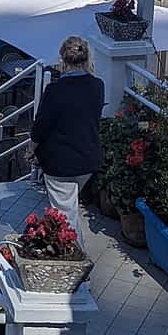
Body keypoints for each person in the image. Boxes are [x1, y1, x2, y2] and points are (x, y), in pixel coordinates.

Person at [29, 36, 104, 248]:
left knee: (66, 216)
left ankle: (77, 268)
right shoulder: (97, 86)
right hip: (87, 159)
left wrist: (31, 148)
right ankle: (68, 255)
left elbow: (42, 125)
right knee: (68, 207)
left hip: (61, 162)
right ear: (86, 57)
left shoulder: (55, 90)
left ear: (63, 59)